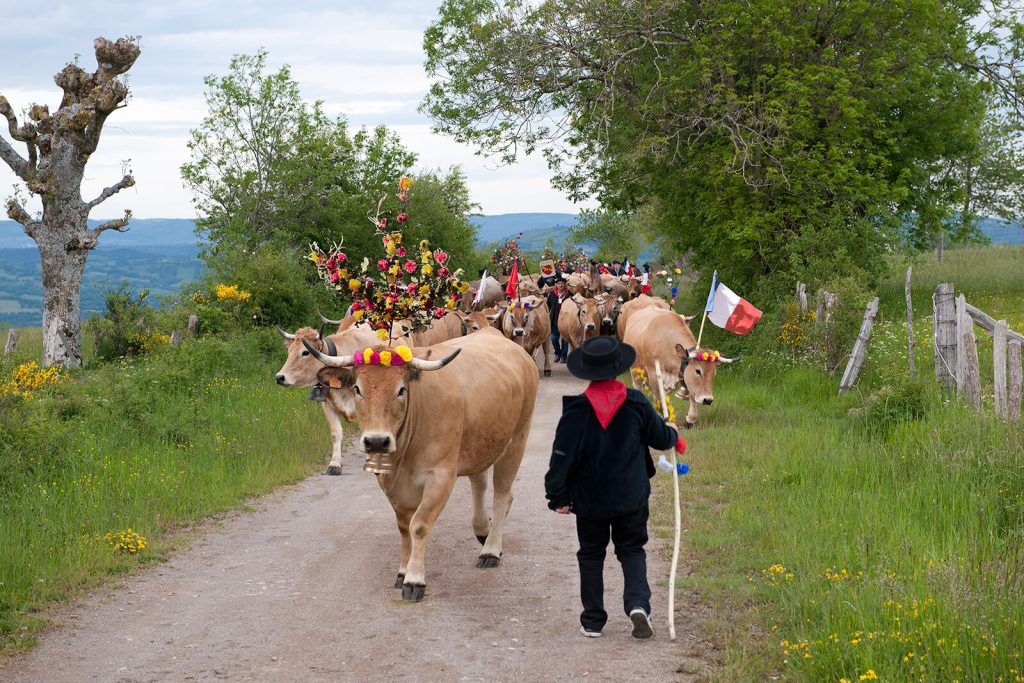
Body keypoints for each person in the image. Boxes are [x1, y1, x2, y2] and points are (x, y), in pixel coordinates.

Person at [545, 336, 685, 639]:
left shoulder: (576, 411)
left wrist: (558, 495)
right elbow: (661, 439)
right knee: (632, 549)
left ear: (586, 371)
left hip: (590, 500)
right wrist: (671, 431)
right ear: (617, 368)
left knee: (591, 554)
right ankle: (638, 605)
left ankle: (593, 620)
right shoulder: (636, 403)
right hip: (631, 496)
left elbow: (561, 457)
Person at [546, 275, 571, 362]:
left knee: (565, 340)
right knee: (553, 338)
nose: (560, 285)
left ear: (565, 285)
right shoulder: (552, 294)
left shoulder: (569, 295)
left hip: (565, 320)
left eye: (562, 284)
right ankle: (557, 352)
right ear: (556, 285)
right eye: (559, 283)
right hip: (554, 320)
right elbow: (548, 306)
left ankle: (564, 356)